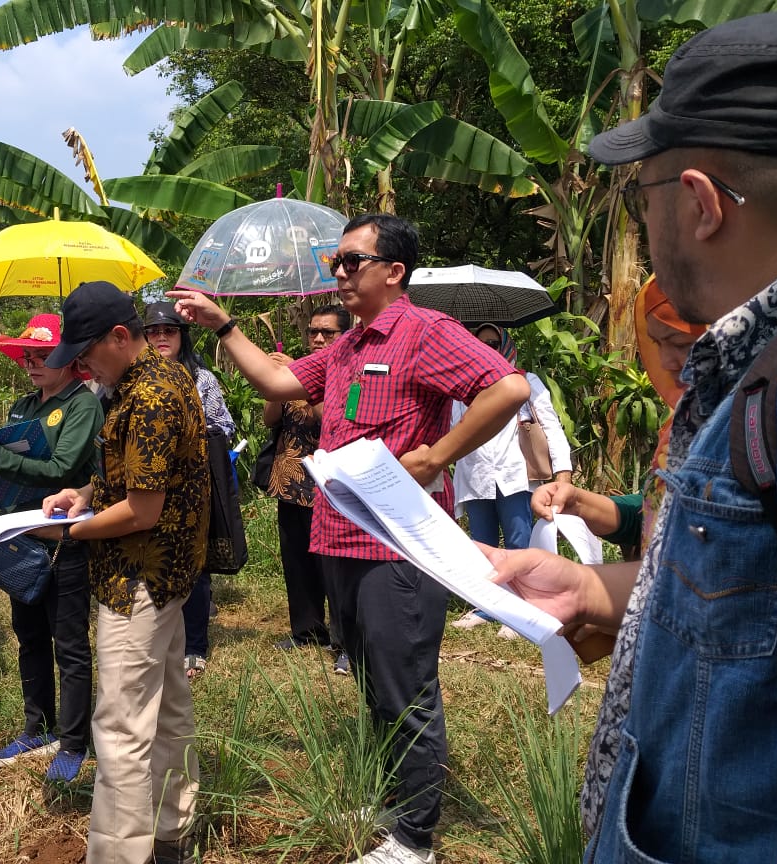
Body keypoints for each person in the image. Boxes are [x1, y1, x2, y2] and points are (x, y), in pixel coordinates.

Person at [484, 15, 777, 860]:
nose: (644, 224)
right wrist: (594, 592)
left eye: (640, 195)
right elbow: (750, 604)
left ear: (698, 202)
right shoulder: (745, 370)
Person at [171, 214, 529, 864]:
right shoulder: (348, 346)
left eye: (351, 261)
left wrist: (439, 453)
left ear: (393, 271)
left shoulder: (425, 332)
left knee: (405, 689)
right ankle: (391, 799)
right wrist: (223, 324)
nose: (338, 273)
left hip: (397, 550)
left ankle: (414, 838)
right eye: (335, 262)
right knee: (370, 684)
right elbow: (279, 383)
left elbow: (508, 386)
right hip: (341, 540)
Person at [33, 281, 209, 864]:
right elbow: (141, 479)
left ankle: (117, 854)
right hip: (168, 575)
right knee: (169, 710)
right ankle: (171, 832)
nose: (81, 365)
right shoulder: (162, 377)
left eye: (86, 352)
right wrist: (83, 494)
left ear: (118, 336)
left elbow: (142, 510)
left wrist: (68, 532)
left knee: (121, 725)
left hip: (139, 577)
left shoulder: (149, 396)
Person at [0, 313, 101, 784]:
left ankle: (76, 740)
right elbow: (6, 468)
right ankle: (36, 728)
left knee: (70, 643)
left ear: (70, 359)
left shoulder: (83, 406)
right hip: (20, 537)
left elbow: (61, 467)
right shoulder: (22, 405)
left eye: (44, 356)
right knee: (29, 635)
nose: (34, 364)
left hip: (64, 537)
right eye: (28, 356)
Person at [532, 277, 704, 565]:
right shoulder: (681, 424)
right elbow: (651, 514)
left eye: (680, 343)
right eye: (655, 343)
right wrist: (577, 502)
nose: (665, 361)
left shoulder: (757, 428)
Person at [450, 324, 571, 635]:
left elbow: (552, 428)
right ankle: (487, 607)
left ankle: (522, 608)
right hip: (475, 475)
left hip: (514, 475)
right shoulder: (461, 388)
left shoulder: (525, 382)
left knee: (519, 544)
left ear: (504, 345)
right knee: (482, 545)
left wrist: (564, 475)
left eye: (493, 343)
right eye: (480, 344)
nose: (487, 348)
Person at [143, 300, 235, 681]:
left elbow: (225, 426)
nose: (162, 337)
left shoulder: (202, 379)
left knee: (194, 566)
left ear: (183, 336)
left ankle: (195, 645)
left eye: (170, 331)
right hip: (145, 487)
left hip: (190, 488)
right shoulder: (132, 380)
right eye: (154, 331)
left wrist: (189, 433)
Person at [266, 304, 351, 672]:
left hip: (329, 486)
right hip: (291, 479)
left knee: (335, 566)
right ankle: (307, 629)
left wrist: (305, 384)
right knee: (297, 561)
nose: (317, 338)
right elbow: (272, 418)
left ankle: (346, 640)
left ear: (344, 335)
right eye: (313, 331)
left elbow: (330, 420)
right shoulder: (297, 368)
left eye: (327, 333)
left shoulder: (348, 370)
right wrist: (276, 382)